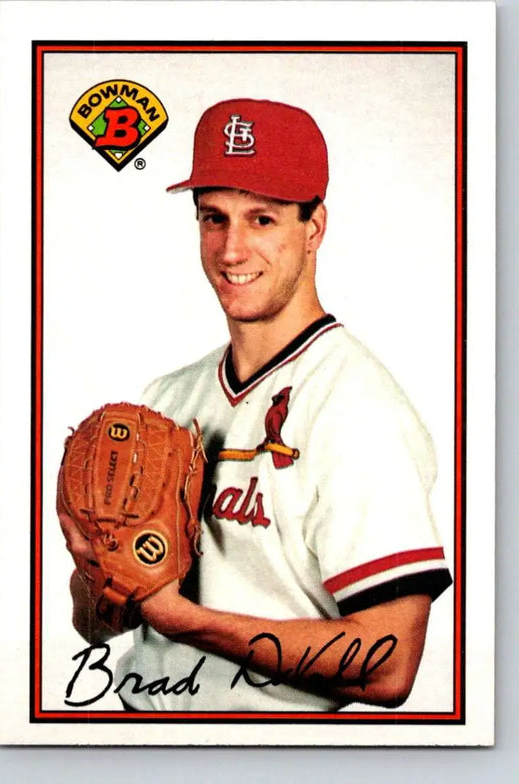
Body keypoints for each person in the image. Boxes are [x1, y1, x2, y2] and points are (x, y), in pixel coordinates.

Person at [59, 98, 452, 712]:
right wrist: (96, 576)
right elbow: (98, 627)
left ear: (314, 226)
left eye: (262, 220)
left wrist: (184, 618)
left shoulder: (357, 407)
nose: (231, 250)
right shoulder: (169, 398)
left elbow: (389, 666)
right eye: (214, 218)